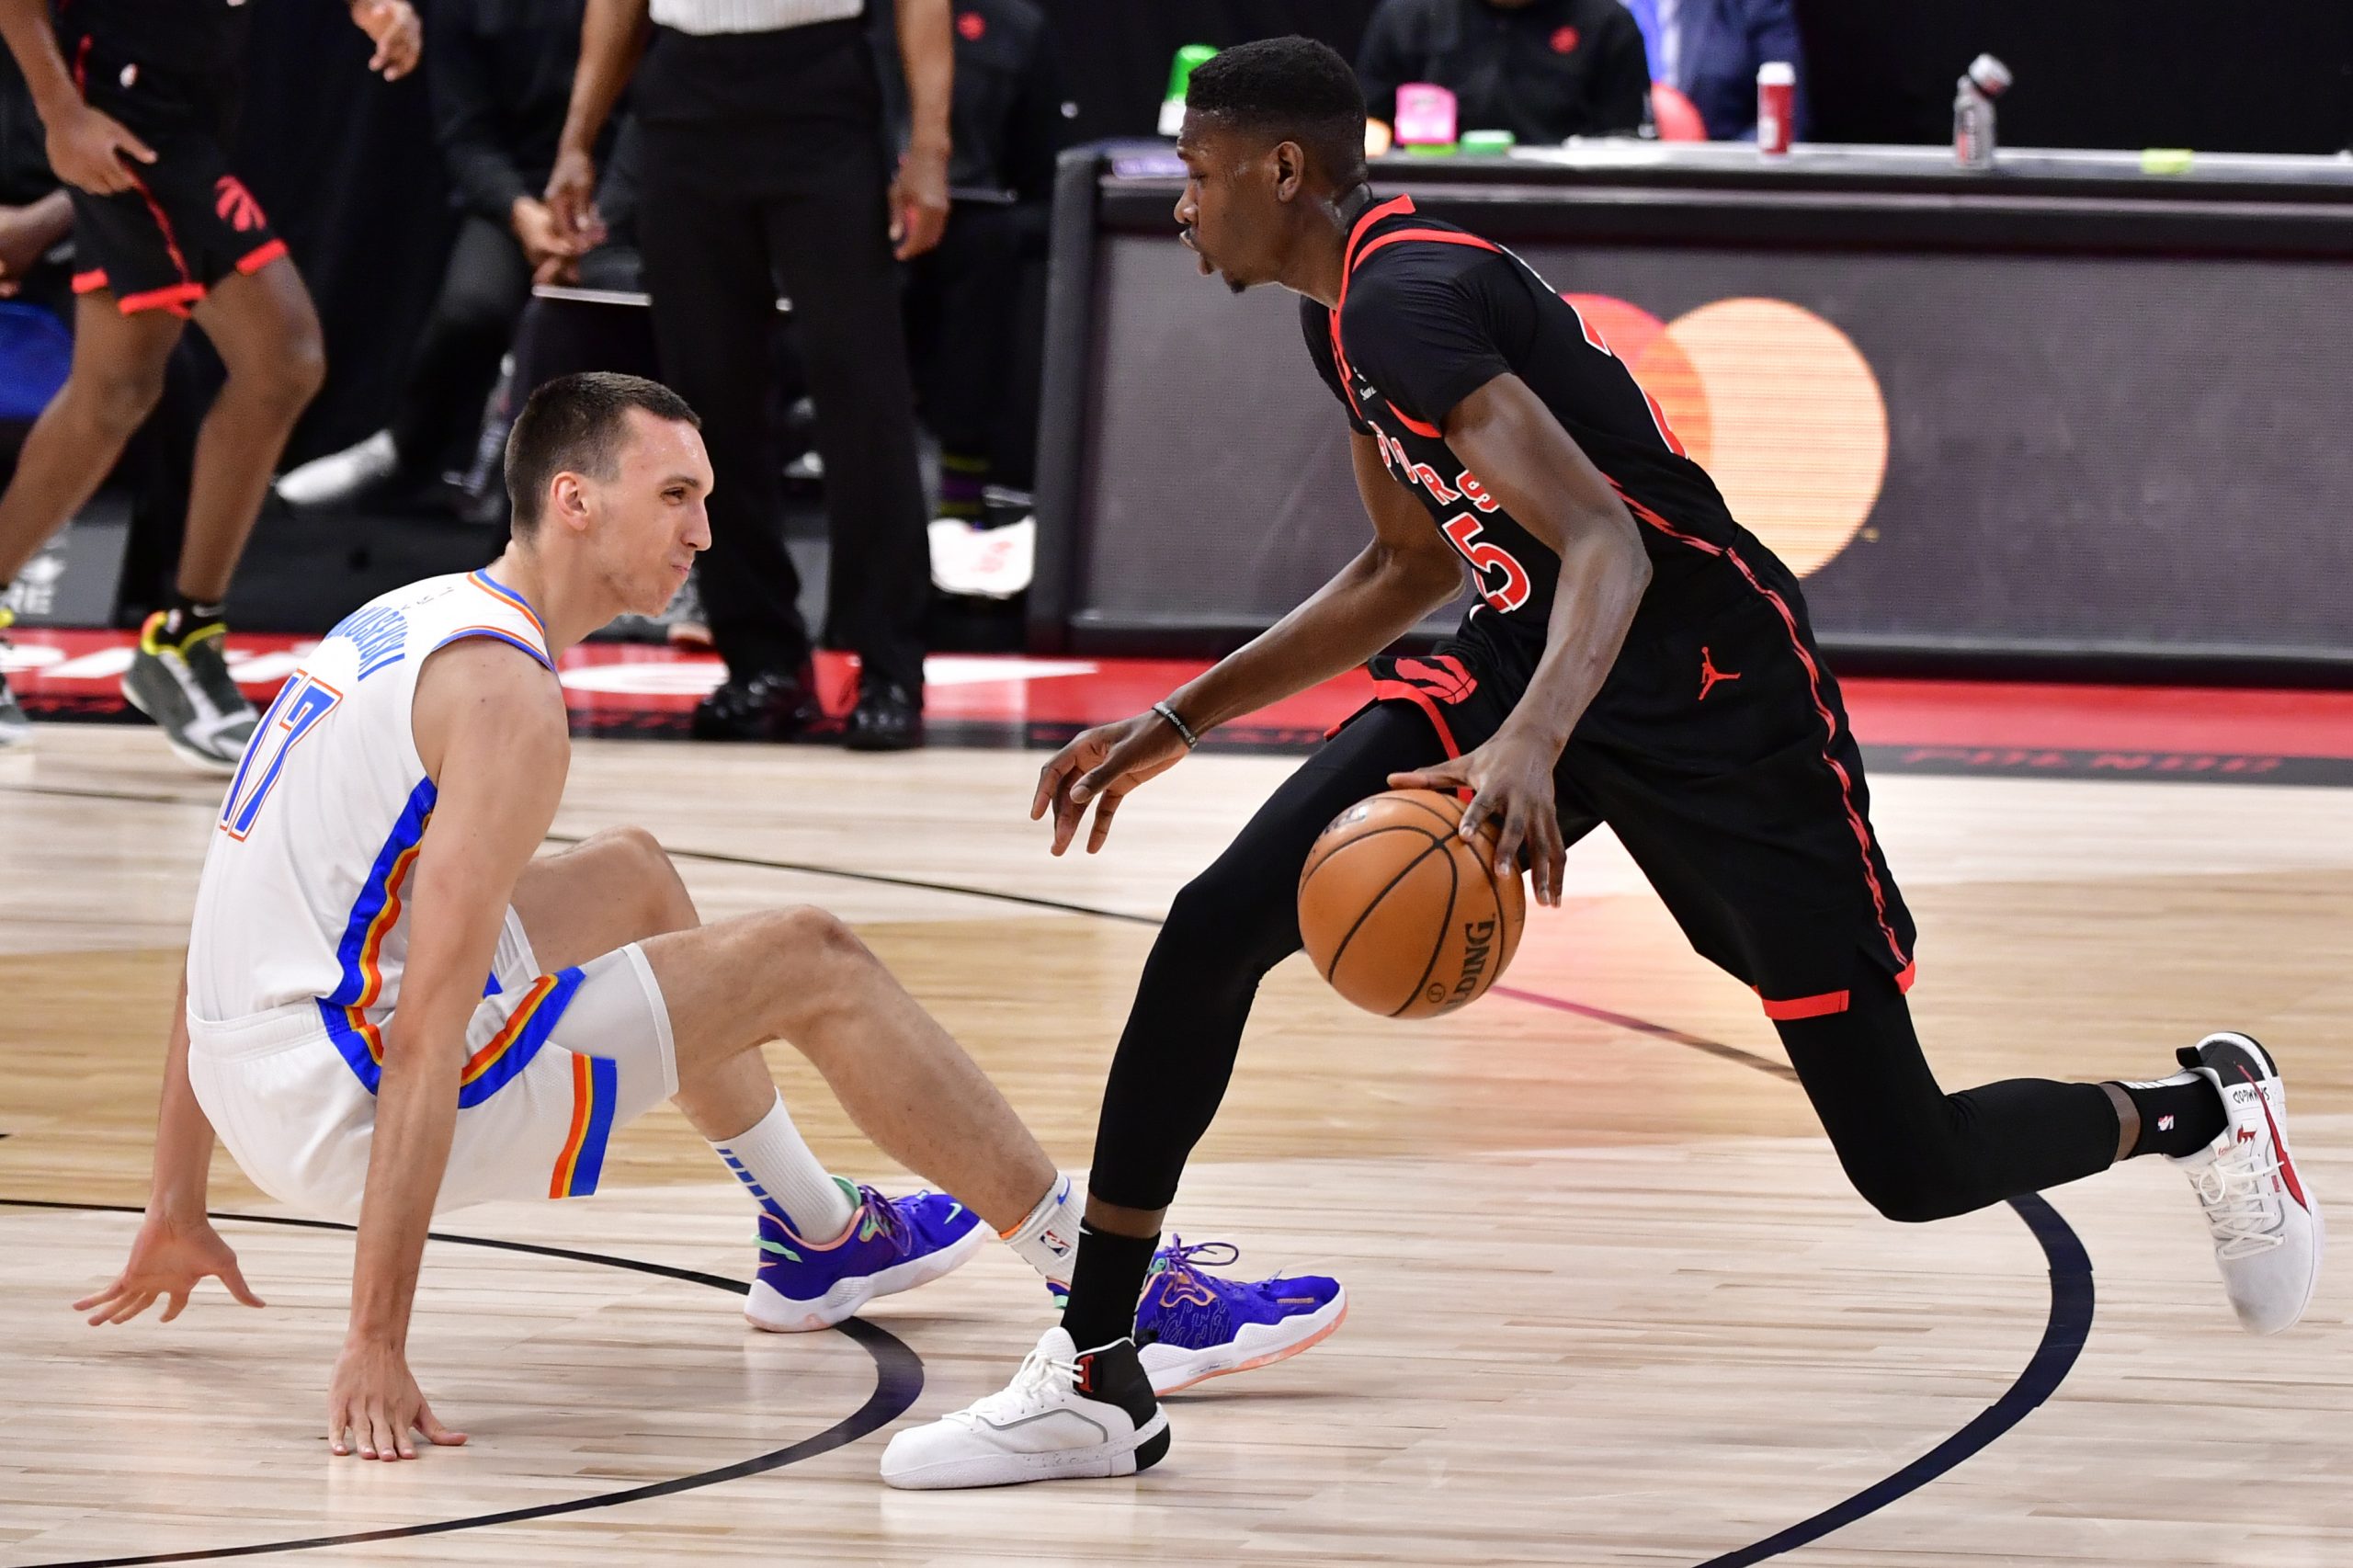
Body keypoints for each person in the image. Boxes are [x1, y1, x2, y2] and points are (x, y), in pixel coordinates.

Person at [880, 37, 2322, 1490]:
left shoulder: (1405, 298)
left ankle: (2201, 1109)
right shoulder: (1342, 319)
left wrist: (1530, 745)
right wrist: (1179, 720)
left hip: (1712, 695)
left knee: (1909, 1159)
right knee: (1212, 930)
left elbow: (1613, 546)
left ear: (1285, 169)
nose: (1180, 205)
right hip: (1533, 649)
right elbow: (1402, 566)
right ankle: (1095, 1369)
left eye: (1194, 177)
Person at [68, 371, 1342, 1460]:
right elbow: (428, 1022)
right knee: (813, 957)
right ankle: (1112, 1286)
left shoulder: (403, 619)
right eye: (675, 497)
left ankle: (816, 1235)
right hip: (344, 1091)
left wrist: (179, 1197)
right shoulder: (507, 700)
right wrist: (371, 1342)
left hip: (254, 1070)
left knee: (628, 872)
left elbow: (225, 920)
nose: (703, 534)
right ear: (576, 500)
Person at [0, 0, 419, 767]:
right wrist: (62, 115)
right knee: (284, 356)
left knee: (115, 391)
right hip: (122, 102)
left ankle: (175, 645)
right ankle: (186, 635)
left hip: (197, 92)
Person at [548, 0, 944, 751]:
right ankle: (760, 655)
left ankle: (889, 661)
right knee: (706, 399)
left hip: (818, 86)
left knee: (862, 392)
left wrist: (929, 144)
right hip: (682, 94)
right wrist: (578, 138)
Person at [277, 0, 605, 513]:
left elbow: (650, 112)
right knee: (472, 309)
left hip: (616, 197)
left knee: (612, 321)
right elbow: (465, 134)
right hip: (515, 194)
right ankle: (409, 446)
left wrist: (596, 216)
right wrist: (523, 215)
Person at [1357, 0, 1648, 146]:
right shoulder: (1405, 16)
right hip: (1426, 207)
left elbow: (1621, 143)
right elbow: (1370, 124)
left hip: (1567, 212)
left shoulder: (1609, 25)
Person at [1619, 0, 1806, 142]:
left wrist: (1711, 171)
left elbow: (1789, 121)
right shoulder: (1593, 14)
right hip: (1604, 176)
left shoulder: (1751, 6)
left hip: (1718, 182)